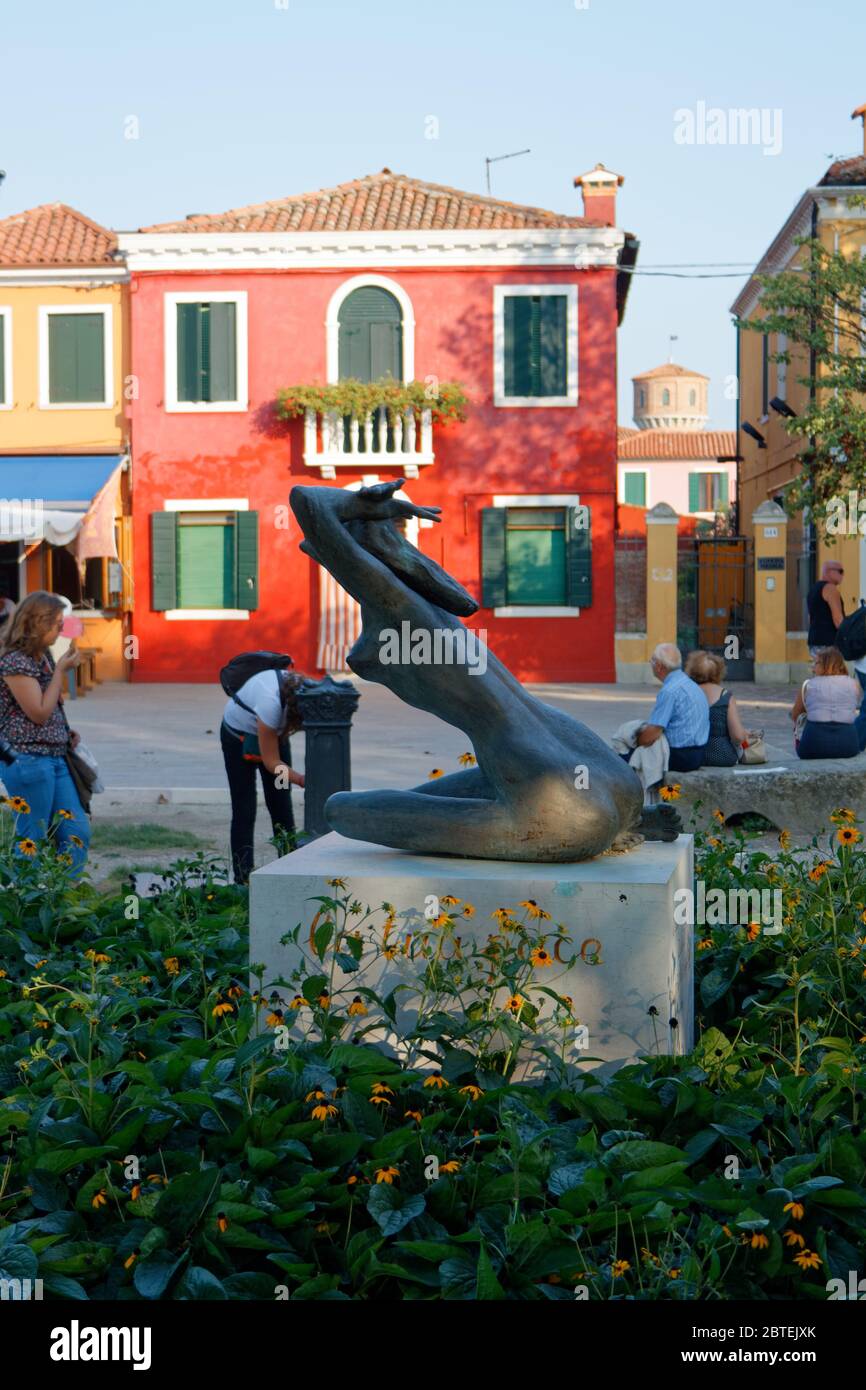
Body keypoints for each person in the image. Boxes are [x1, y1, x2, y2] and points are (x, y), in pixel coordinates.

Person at [0, 591, 90, 873]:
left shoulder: (43, 656)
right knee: (32, 837)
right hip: (27, 759)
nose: (62, 629)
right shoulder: (15, 662)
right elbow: (38, 713)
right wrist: (61, 672)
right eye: (57, 623)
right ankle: (25, 906)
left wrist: (64, 730)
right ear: (38, 623)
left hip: (55, 755)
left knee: (76, 831)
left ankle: (64, 898)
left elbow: (51, 706)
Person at [220, 666, 306, 884]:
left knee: (281, 804)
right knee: (244, 807)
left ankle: (289, 871)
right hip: (237, 736)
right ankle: (243, 878)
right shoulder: (271, 705)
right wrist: (301, 779)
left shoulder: (306, 691)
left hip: (274, 735)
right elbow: (272, 762)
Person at [635, 643, 710, 772]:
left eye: (652, 660)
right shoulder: (689, 683)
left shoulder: (669, 691)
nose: (650, 663)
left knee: (625, 756)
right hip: (699, 752)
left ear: (659, 666)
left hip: (681, 756)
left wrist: (635, 742)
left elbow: (652, 734)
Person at [790, 646, 861, 760]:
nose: (813, 668)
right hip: (848, 746)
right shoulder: (854, 684)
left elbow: (795, 715)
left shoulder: (808, 685)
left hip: (814, 745)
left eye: (816, 663)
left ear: (826, 665)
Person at [684, 650, 748, 766]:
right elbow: (737, 736)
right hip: (722, 755)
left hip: (693, 754)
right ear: (719, 672)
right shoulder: (726, 696)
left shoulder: (686, 694)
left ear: (692, 671)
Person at [807, 560, 845, 657]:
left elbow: (810, 618)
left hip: (814, 642)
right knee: (834, 671)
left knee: (820, 671)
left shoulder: (813, 589)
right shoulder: (830, 588)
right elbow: (838, 620)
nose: (843, 575)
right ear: (829, 571)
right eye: (840, 571)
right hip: (829, 644)